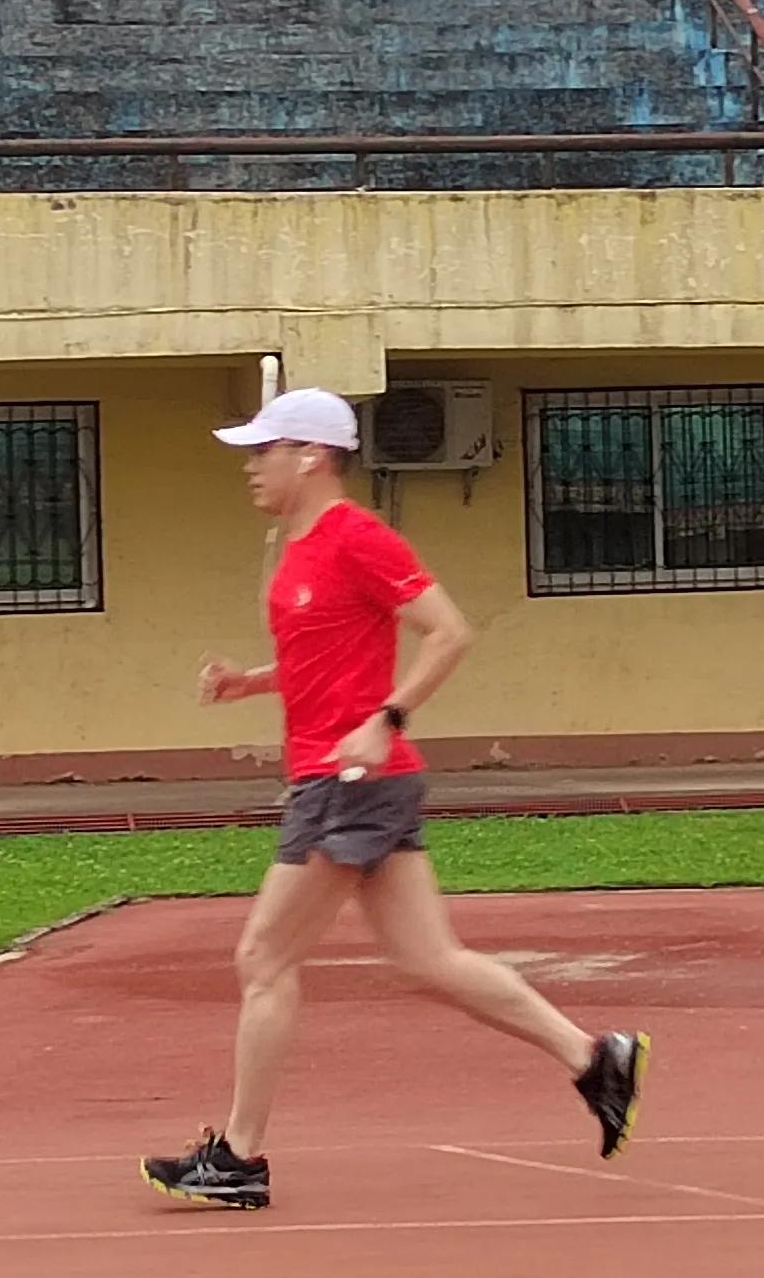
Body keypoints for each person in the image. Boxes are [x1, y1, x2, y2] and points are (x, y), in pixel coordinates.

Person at [146, 387, 646, 1211]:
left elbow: (449, 630)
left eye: (263, 450)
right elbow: (326, 655)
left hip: (352, 784)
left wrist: (387, 719)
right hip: (348, 779)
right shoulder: (301, 546)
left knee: (264, 958)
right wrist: (248, 684)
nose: (250, 466)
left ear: (310, 455)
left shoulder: (357, 538)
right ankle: (596, 1059)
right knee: (427, 959)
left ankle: (238, 1156)